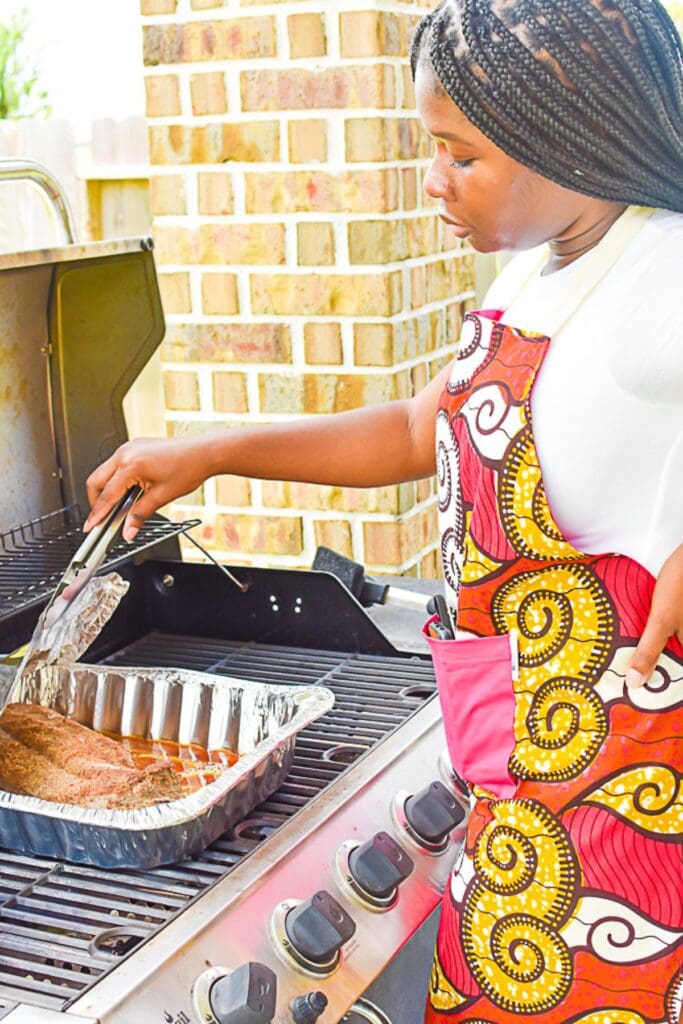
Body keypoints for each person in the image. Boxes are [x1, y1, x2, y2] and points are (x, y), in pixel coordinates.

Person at [86, 1, 683, 1020]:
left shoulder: (656, 274)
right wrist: (212, 451)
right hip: (514, 791)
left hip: (610, 824)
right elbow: (425, 427)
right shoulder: (544, 266)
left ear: (571, 133)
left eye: (458, 155)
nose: (431, 182)